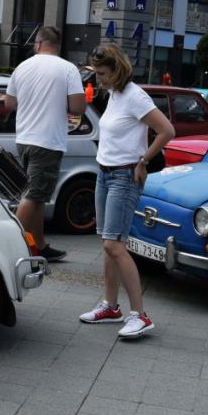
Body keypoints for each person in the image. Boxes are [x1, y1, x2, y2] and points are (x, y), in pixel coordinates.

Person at [79, 43, 174, 339]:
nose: (97, 79)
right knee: (109, 243)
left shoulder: (134, 95)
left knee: (115, 246)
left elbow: (167, 130)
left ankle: (140, 315)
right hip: (105, 173)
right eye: (96, 73)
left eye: (102, 73)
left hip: (124, 176)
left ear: (116, 70)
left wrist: (144, 161)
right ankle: (110, 306)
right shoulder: (115, 94)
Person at [3, 26, 84, 262]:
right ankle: (7, 244)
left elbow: (9, 103)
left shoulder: (22, 67)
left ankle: (39, 245)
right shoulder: (67, 69)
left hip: (24, 138)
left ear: (38, 43)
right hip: (48, 140)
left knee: (37, 195)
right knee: (34, 194)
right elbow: (78, 107)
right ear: (57, 45)